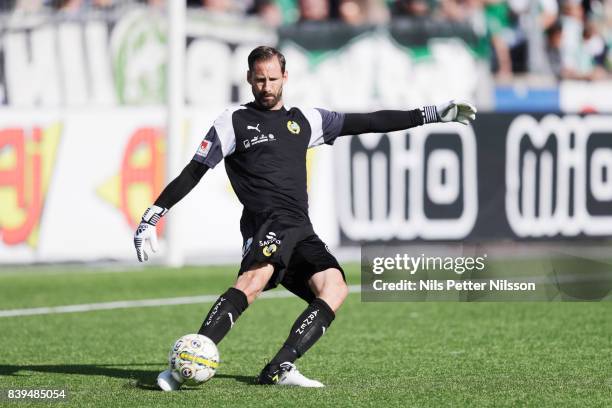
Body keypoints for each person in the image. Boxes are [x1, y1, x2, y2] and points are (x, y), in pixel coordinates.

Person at [133, 45, 476, 390]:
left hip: (300, 228)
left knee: (336, 287)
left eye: (272, 79)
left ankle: (280, 366)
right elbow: (194, 171)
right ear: (248, 79)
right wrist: (152, 215)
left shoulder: (305, 120)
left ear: (285, 77)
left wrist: (431, 114)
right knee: (250, 286)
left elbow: (369, 122)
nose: (265, 87)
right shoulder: (233, 121)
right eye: (258, 80)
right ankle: (183, 367)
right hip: (266, 223)